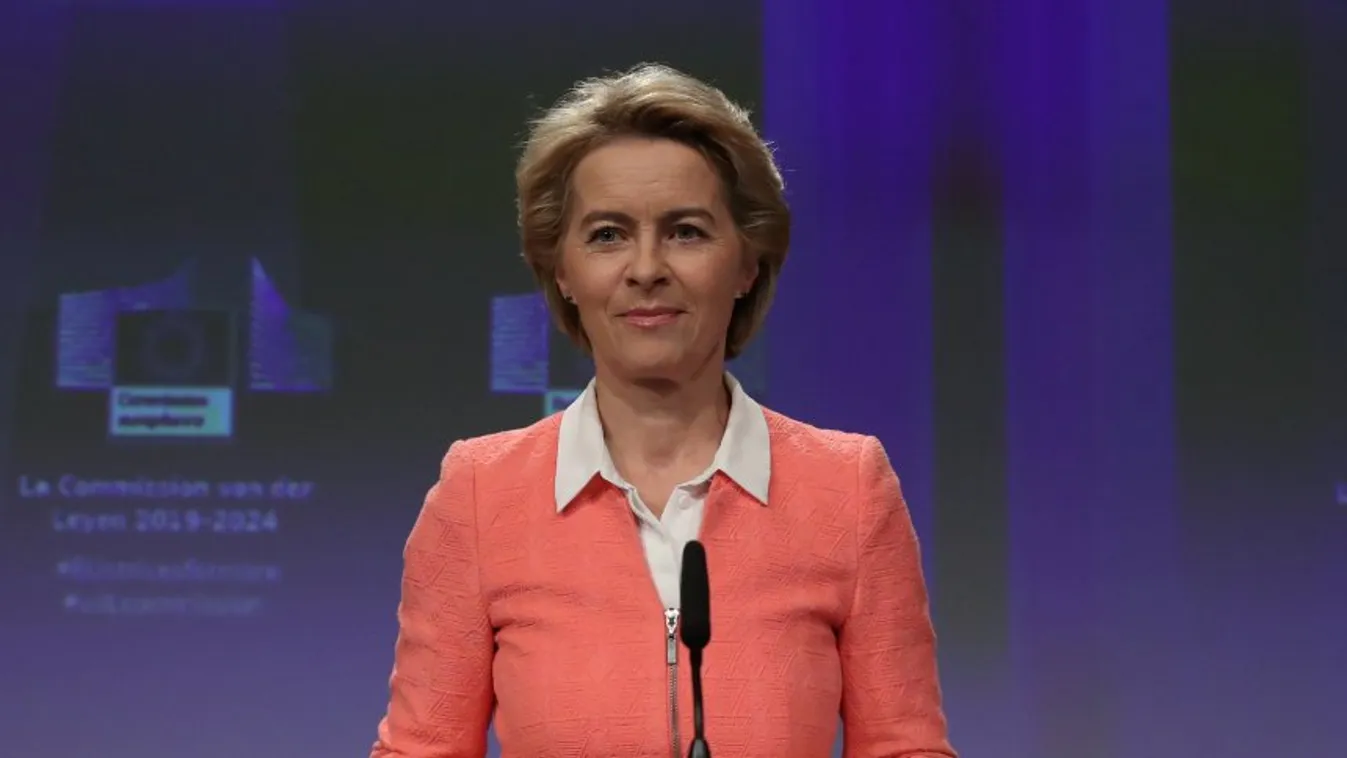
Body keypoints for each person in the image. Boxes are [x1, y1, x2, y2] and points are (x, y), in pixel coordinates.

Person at [371, 63, 956, 758]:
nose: (645, 268)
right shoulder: (479, 492)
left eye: (685, 232)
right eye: (607, 235)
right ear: (561, 270)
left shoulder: (848, 489)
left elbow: (903, 748)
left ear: (746, 265)